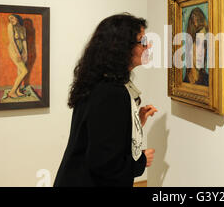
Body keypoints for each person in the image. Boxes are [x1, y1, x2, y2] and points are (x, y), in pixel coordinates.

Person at [54, 13, 158, 187]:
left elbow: (102, 135)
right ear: (122, 47)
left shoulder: (99, 82)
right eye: (142, 41)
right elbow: (104, 162)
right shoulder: (111, 92)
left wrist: (135, 122)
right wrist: (140, 161)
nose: (148, 46)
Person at [183, 7, 209, 86]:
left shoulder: (208, 81)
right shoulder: (183, 83)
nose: (201, 51)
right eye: (197, 44)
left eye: (204, 45)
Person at [7, 14, 28, 98]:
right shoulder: (10, 26)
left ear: (17, 18)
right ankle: (12, 92)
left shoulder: (23, 28)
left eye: (12, 18)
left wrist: (25, 52)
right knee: (24, 71)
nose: (10, 20)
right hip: (13, 50)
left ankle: (18, 91)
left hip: (21, 50)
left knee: (20, 71)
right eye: (9, 19)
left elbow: (24, 41)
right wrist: (18, 53)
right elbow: (12, 41)